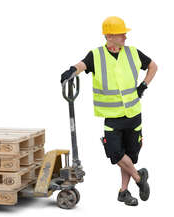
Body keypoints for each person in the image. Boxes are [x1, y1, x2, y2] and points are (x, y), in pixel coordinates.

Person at [61, 16, 157, 206]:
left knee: (129, 154)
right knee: (115, 154)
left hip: (133, 114)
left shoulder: (133, 53)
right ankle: (139, 178)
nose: (125, 37)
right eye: (121, 34)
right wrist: (71, 70)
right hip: (113, 117)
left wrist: (143, 87)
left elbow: (153, 66)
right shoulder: (96, 55)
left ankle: (123, 192)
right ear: (109, 36)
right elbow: (83, 65)